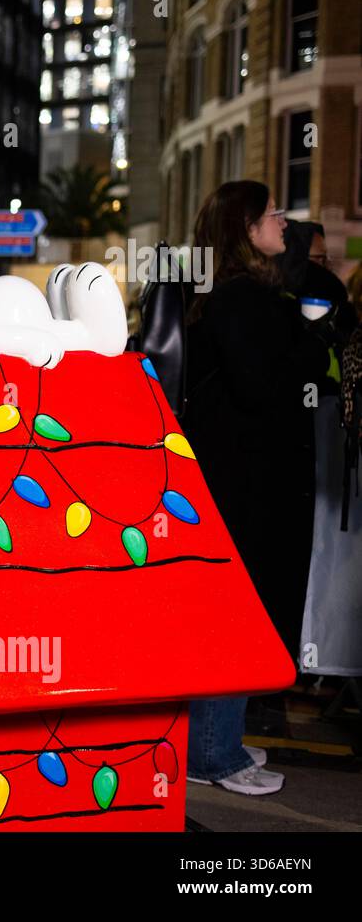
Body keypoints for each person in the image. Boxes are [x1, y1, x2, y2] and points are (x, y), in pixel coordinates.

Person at [183, 180, 334, 796]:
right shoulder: (241, 301)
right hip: (244, 487)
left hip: (239, 483)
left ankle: (215, 740)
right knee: (234, 616)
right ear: (245, 229)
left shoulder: (232, 296)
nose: (282, 221)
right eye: (270, 212)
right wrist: (304, 348)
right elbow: (261, 386)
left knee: (230, 614)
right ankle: (213, 753)